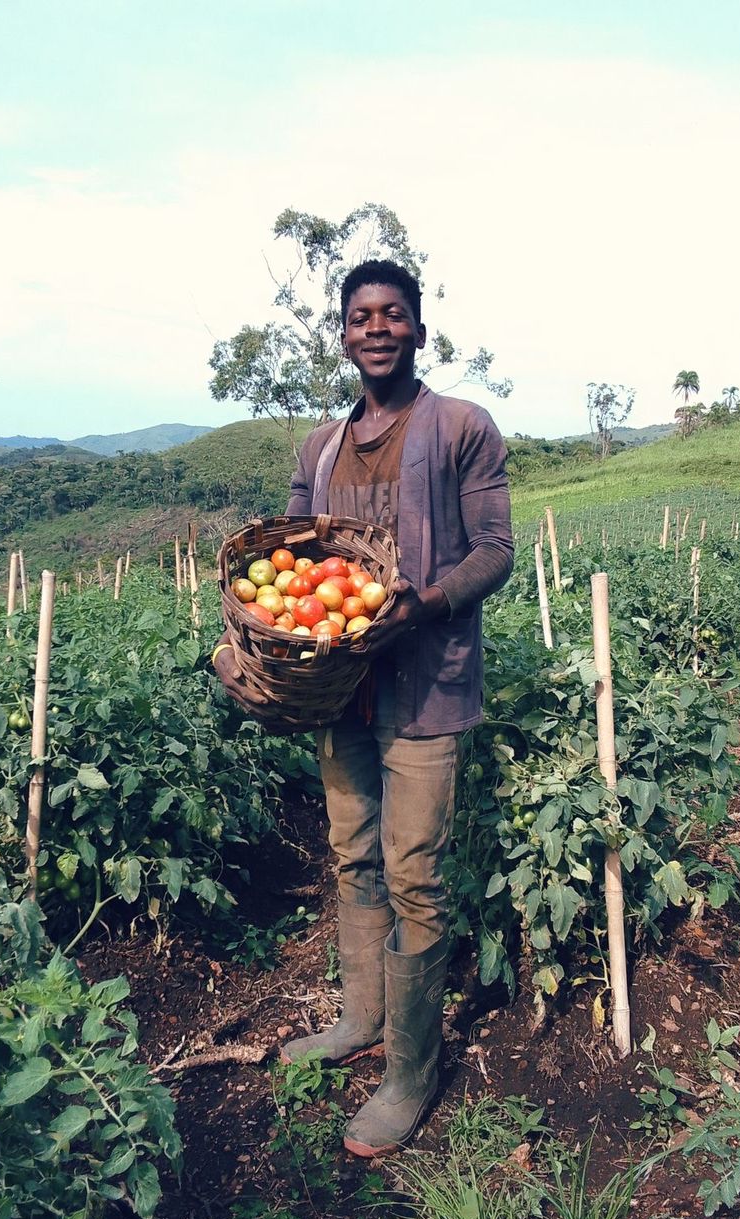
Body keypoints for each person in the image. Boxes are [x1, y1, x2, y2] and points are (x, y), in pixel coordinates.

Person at [214, 259, 513, 1156]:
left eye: (393, 316)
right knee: (352, 853)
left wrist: (422, 602)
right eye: (359, 318)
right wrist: (277, 625)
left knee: (411, 866)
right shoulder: (321, 446)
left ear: (420, 331)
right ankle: (361, 1020)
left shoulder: (461, 426)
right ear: (343, 335)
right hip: (341, 684)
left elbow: (495, 549)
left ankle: (410, 1074)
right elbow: (301, 556)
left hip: (426, 682)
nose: (375, 329)